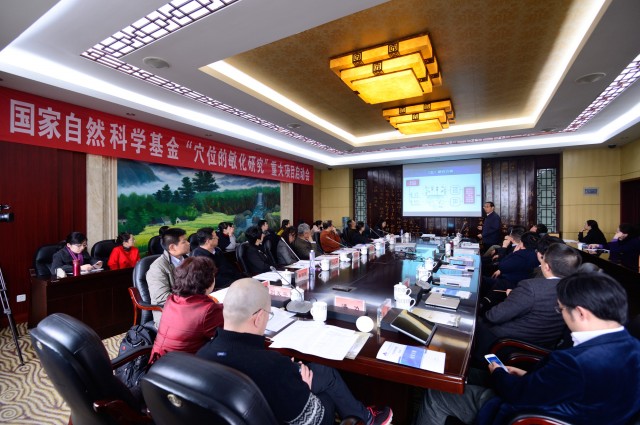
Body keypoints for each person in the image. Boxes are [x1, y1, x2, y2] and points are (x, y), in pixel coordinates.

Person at [416, 272, 640, 425]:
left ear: (581, 312)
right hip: (573, 406)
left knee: (437, 394)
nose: (561, 314)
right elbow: (565, 386)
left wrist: (501, 374)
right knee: (464, 372)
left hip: (528, 415)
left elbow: (518, 395)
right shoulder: (633, 347)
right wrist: (528, 375)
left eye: (561, 309)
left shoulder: (575, 362)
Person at [197, 278, 393, 425]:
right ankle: (365, 419)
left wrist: (287, 375)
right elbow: (317, 419)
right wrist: (304, 388)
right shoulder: (273, 366)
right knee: (326, 394)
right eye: (268, 314)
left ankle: (365, 416)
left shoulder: (202, 355)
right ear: (258, 318)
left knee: (323, 371)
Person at [473, 243, 582, 363]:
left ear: (547, 267)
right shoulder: (579, 290)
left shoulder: (531, 288)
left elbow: (494, 316)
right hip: (544, 345)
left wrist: (513, 297)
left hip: (506, 344)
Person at [150, 256, 223, 363]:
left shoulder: (172, 299)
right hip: (186, 367)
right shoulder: (208, 310)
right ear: (208, 280)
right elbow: (227, 334)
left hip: (157, 363)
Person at [146, 228, 191, 327]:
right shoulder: (157, 267)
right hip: (169, 313)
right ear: (172, 247)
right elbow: (162, 297)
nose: (189, 243)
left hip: (191, 307)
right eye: (184, 241)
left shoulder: (189, 261)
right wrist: (192, 299)